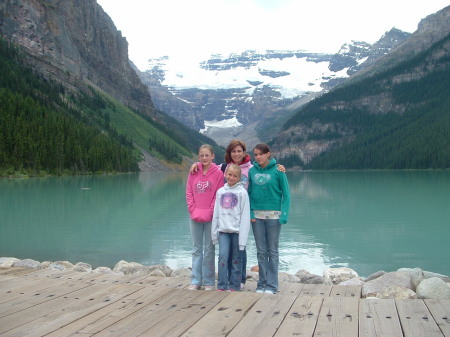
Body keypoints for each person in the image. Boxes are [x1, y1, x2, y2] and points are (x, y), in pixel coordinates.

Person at [189, 139, 285, 289]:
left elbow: (266, 169)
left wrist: (279, 167)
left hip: (244, 214)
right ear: (229, 153)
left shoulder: (253, 168)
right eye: (233, 151)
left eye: (239, 151)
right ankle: (225, 279)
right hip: (227, 216)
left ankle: (239, 280)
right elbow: (207, 164)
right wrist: (196, 164)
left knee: (241, 249)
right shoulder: (223, 167)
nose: (236, 154)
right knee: (225, 251)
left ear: (244, 153)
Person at [248, 143, 290, 295]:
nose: (258, 157)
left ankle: (272, 285)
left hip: (274, 217)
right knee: (261, 251)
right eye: (255, 154)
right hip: (257, 217)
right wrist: (251, 213)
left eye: (260, 154)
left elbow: (286, 194)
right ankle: (261, 283)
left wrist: (284, 214)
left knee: (272, 250)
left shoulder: (279, 171)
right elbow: (249, 194)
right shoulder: (252, 171)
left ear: (268, 154)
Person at [186, 144, 225, 290]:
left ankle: (208, 281)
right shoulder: (193, 172)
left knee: (209, 248)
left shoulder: (218, 174)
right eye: (201, 155)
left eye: (207, 155)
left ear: (212, 156)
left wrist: (211, 210)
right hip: (194, 216)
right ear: (198, 157)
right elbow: (189, 192)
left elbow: (218, 194)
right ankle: (195, 280)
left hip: (211, 216)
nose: (204, 158)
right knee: (196, 248)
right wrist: (192, 209)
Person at [211, 164, 251, 292]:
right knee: (222, 256)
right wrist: (214, 233)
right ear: (225, 174)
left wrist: (243, 239)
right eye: (230, 174)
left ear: (239, 178)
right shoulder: (220, 192)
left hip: (237, 232)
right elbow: (216, 213)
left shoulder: (242, 193)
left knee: (236, 258)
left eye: (235, 176)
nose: (232, 177)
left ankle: (234, 285)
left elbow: (245, 217)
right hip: (223, 231)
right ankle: (222, 285)